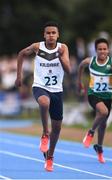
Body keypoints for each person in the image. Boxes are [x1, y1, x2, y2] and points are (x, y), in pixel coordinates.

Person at [15, 21, 71, 171]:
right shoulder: (37, 47)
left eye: (54, 33)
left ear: (58, 35)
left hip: (57, 90)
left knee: (57, 127)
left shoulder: (63, 48)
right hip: (40, 86)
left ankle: (50, 157)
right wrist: (19, 76)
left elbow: (69, 69)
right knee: (44, 103)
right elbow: (21, 54)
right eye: (48, 33)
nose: (51, 35)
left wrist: (60, 57)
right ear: (44, 35)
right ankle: (45, 133)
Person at [77, 38, 112, 163]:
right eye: (100, 49)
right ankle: (90, 133)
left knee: (103, 124)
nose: (102, 51)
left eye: (104, 49)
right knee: (104, 112)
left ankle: (99, 148)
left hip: (107, 97)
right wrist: (79, 83)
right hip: (93, 95)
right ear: (95, 50)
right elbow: (80, 66)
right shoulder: (90, 61)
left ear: (108, 50)